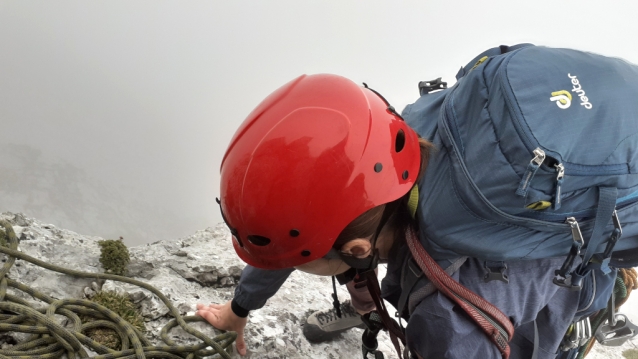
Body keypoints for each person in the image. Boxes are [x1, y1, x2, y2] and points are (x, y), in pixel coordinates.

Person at [195, 74, 581, 358]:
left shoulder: (446, 322)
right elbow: (297, 232)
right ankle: (363, 300)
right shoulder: (389, 152)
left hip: (560, 268)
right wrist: (240, 306)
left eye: (305, 261)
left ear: (359, 247)